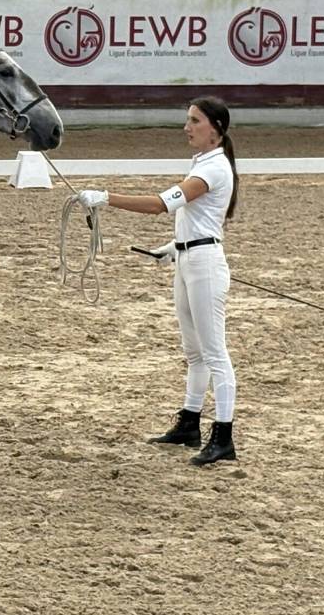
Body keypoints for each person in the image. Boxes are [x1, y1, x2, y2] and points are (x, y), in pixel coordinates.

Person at [79, 96, 240, 466]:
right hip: (188, 258)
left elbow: (159, 205)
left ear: (214, 129)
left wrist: (106, 198)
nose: (187, 127)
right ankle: (189, 422)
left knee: (215, 353)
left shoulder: (214, 168)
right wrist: (174, 245)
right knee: (194, 352)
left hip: (203, 264)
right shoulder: (204, 161)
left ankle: (224, 437)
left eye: (194, 121)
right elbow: (198, 218)